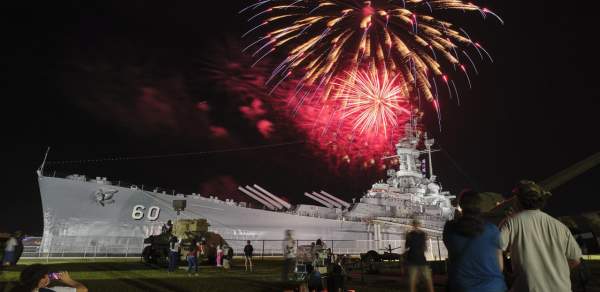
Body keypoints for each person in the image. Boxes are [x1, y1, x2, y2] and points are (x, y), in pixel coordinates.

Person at [500, 180, 582, 292]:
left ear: (518, 200)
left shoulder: (510, 223)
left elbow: (494, 251)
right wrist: (554, 272)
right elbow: (575, 259)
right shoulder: (559, 226)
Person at [443, 190, 506, 292]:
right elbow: (500, 265)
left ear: (460, 206)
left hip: (461, 286)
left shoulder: (450, 228)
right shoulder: (492, 229)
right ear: (479, 206)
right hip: (493, 287)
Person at [9, 264, 87, 292]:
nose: (48, 275)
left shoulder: (15, 290)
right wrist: (69, 280)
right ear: (42, 281)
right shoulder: (53, 290)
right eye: (46, 274)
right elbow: (83, 290)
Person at [405, 219, 434, 292]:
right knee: (428, 280)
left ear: (413, 225)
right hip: (421, 260)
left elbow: (407, 247)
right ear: (418, 225)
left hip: (413, 259)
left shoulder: (410, 235)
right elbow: (424, 248)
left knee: (413, 281)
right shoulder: (423, 234)